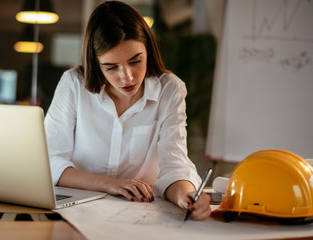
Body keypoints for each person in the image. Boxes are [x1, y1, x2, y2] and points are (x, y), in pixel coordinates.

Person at [44, 0, 211, 220]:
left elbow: (175, 163)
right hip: (76, 212)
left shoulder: (169, 89)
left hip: (139, 215)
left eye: (135, 61)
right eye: (111, 67)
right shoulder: (74, 84)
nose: (127, 77)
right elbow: (51, 160)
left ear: (148, 51)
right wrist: (111, 185)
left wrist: (186, 196)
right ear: (96, 63)